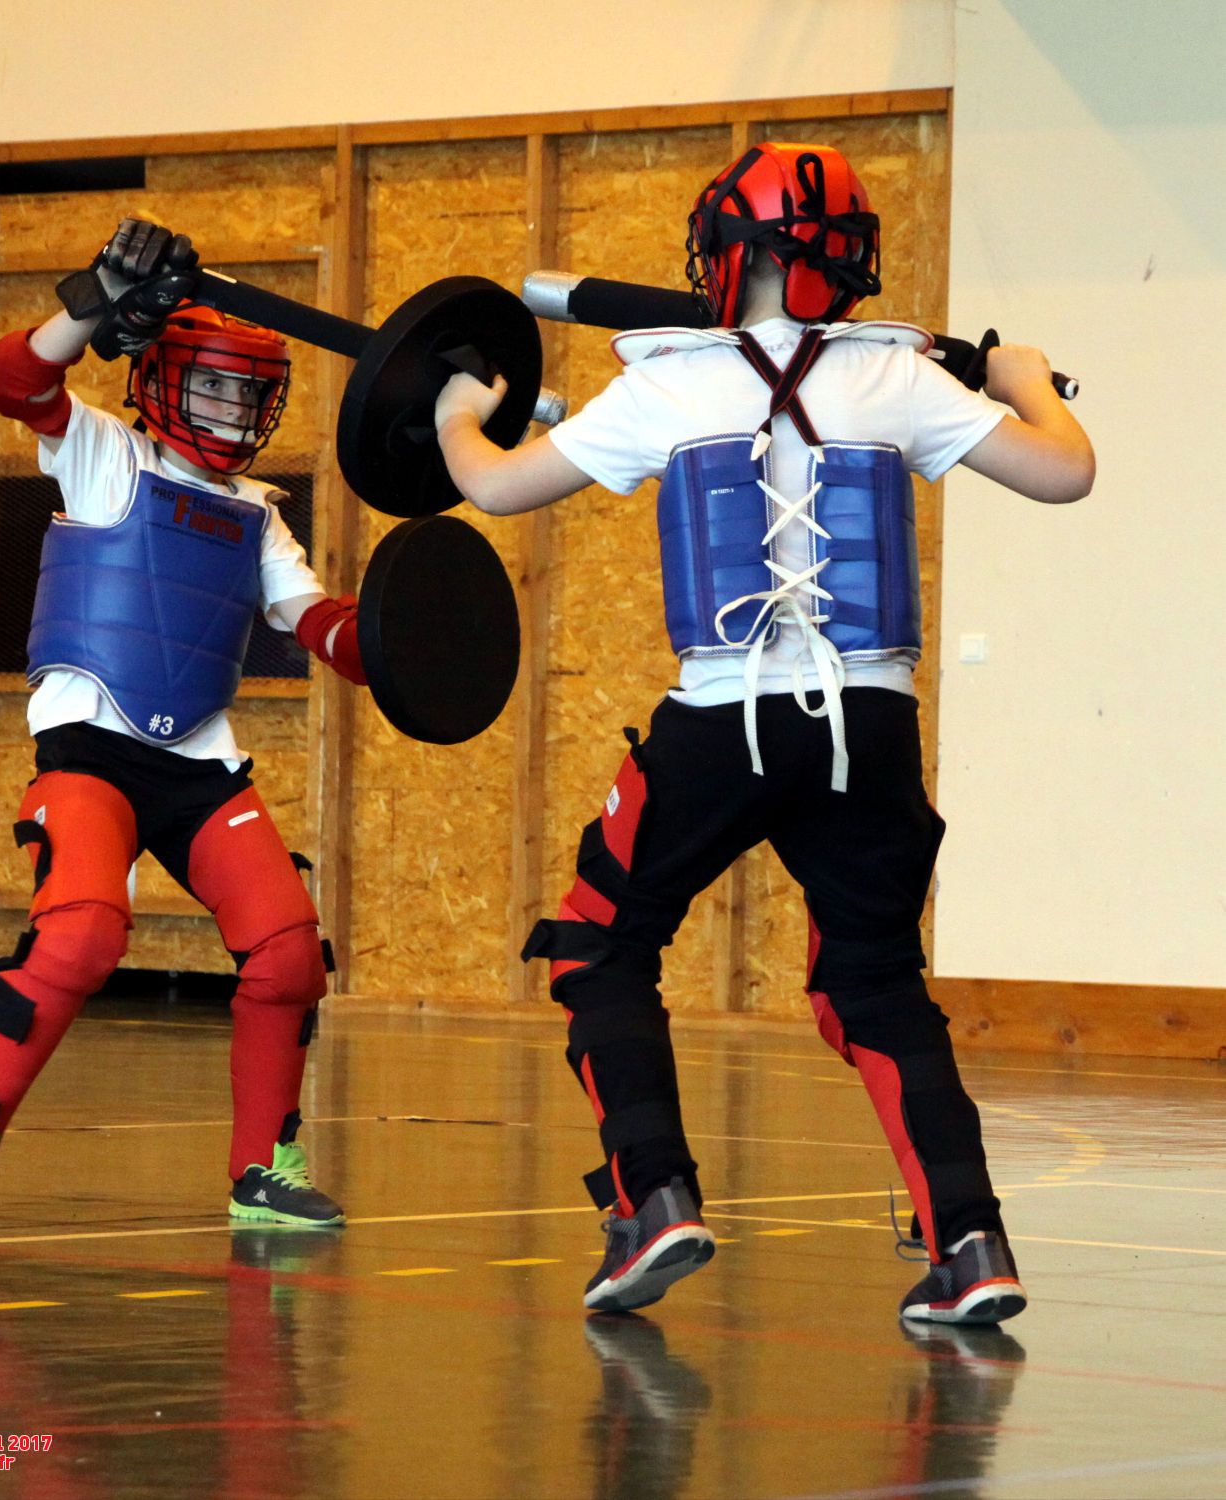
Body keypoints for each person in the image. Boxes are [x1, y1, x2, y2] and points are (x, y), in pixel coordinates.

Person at [434, 143, 1093, 1319]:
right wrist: (1023, 380)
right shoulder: (900, 382)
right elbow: (1065, 475)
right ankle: (973, 1248)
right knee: (879, 984)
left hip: (724, 722)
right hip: (872, 730)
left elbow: (492, 486)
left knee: (598, 942)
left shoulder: (667, 386)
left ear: (729, 255)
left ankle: (656, 1201)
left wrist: (453, 409)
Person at [0, 218, 366, 1225]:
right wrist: (90, 308)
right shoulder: (106, 454)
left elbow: (319, 624)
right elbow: (12, 384)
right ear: (161, 381)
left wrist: (403, 642)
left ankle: (263, 1177)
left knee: (291, 957)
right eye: (213, 386)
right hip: (91, 753)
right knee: (78, 938)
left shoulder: (259, 511)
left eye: (250, 394)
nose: (233, 410)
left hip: (199, 764)